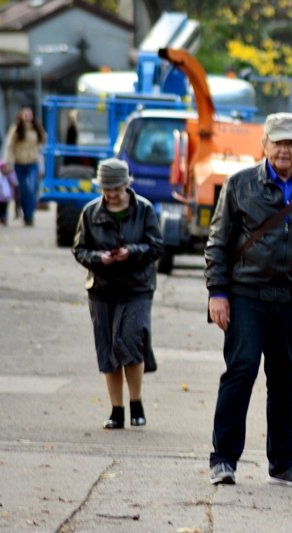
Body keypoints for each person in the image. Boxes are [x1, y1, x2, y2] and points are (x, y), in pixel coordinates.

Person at [205, 112, 292, 486]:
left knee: (284, 379)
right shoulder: (239, 185)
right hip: (247, 295)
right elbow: (217, 243)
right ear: (263, 145)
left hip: (290, 298)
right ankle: (223, 459)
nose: (283, 149)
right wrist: (217, 292)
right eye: (277, 142)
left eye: (290, 142)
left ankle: (282, 463)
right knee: (241, 371)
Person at [72, 158, 163, 429]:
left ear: (127, 185)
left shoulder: (144, 210)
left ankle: (136, 402)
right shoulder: (90, 213)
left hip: (137, 287)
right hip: (102, 289)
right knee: (108, 350)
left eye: (116, 189)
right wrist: (100, 258)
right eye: (106, 189)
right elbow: (79, 249)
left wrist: (131, 252)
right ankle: (117, 410)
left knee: (131, 342)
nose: (111, 194)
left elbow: (156, 246)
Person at [3, 107, 46, 226]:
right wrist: (8, 162)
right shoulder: (16, 130)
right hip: (19, 163)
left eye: (29, 115)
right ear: (21, 116)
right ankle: (26, 213)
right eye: (25, 115)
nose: (27, 117)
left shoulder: (36, 129)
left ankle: (29, 215)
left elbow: (43, 143)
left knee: (32, 189)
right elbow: (9, 147)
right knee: (23, 189)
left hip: (33, 162)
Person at [0, 161, 18, 225]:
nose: (3, 169)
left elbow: (15, 182)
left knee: (5, 208)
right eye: (1, 168)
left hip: (6, 196)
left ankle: (4, 218)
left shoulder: (10, 174)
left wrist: (10, 174)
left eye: (4, 168)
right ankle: (1, 217)